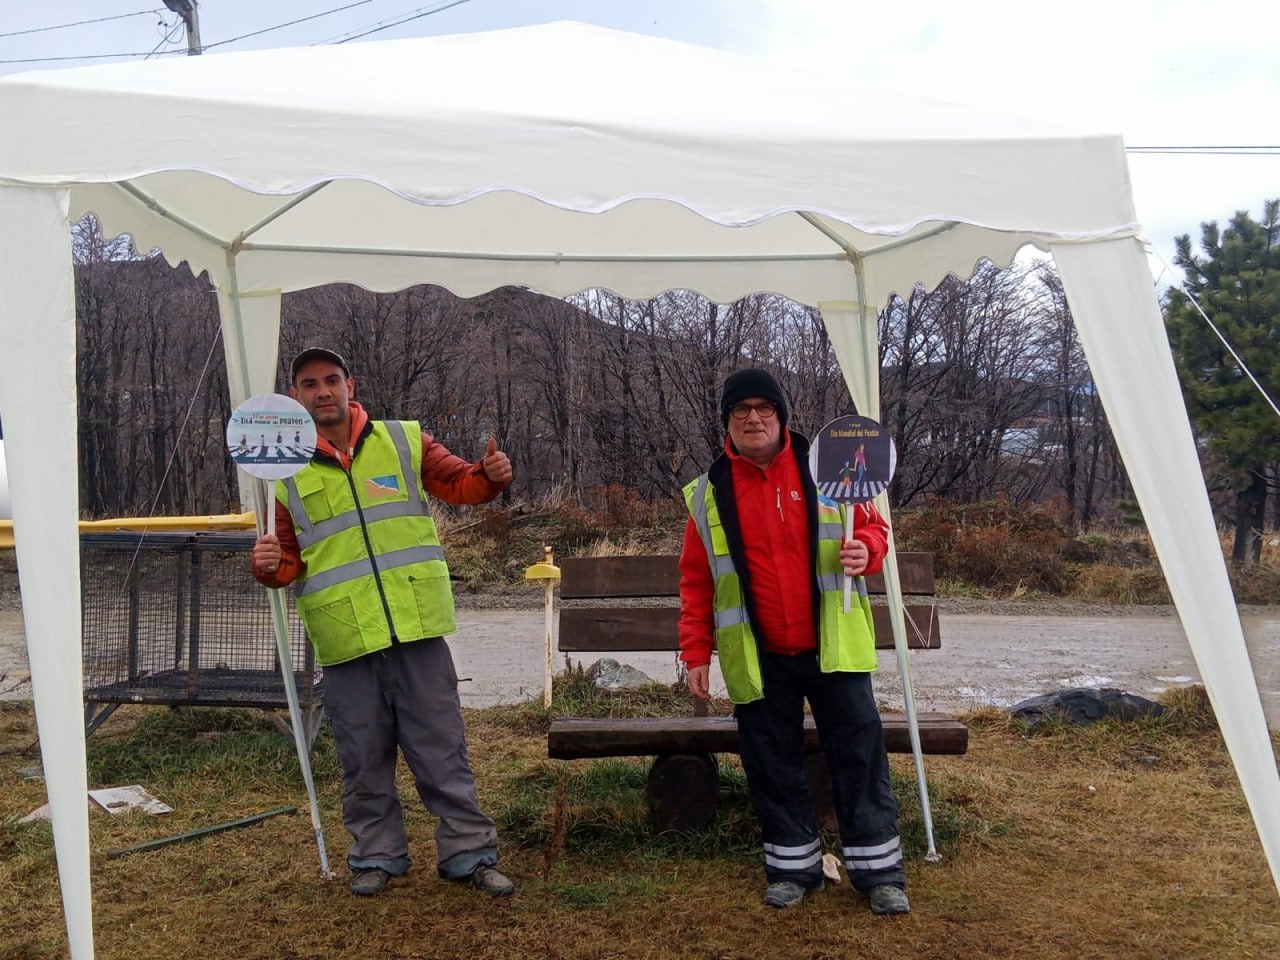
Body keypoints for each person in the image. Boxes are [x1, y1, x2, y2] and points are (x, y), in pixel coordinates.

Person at [251, 347, 516, 899]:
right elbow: (290, 562)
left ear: (351, 384)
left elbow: (460, 484)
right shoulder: (284, 472)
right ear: (295, 396)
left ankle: (469, 853)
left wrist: (489, 477)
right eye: (309, 384)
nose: (322, 391)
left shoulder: (402, 440)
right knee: (362, 757)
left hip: (416, 627)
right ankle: (376, 856)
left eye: (330, 380)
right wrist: (270, 569)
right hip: (346, 640)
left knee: (442, 750)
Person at [678, 368, 909, 915]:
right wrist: (695, 653)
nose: (753, 418)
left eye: (764, 408)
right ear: (726, 424)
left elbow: (874, 527)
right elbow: (696, 579)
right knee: (770, 762)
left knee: (858, 757)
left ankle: (879, 874)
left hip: (834, 650)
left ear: (782, 417)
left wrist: (867, 552)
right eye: (741, 411)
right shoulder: (707, 493)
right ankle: (792, 869)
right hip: (759, 658)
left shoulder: (828, 469)